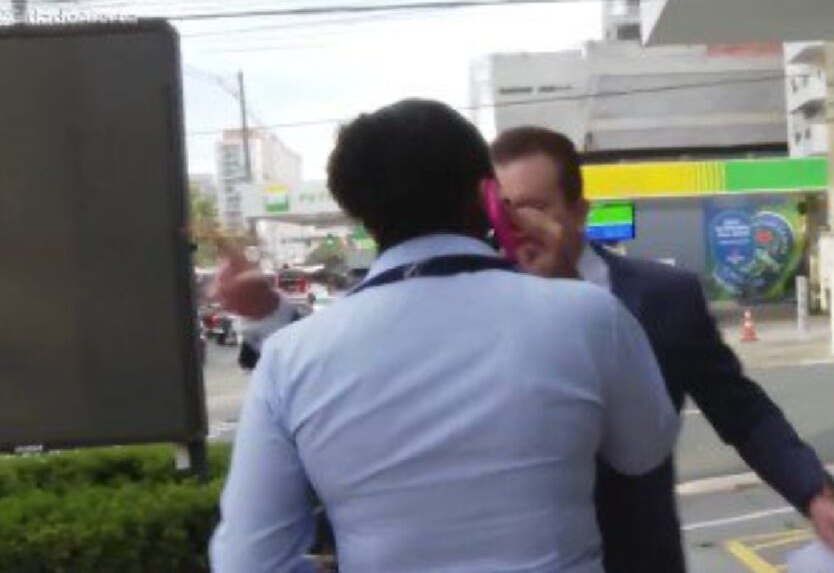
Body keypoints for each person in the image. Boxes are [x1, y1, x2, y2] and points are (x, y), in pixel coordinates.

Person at [209, 99, 679, 573]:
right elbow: (644, 453)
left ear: (360, 214)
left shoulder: (289, 358)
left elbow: (247, 562)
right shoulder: (589, 315)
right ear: (489, 195)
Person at [489, 126, 834, 572]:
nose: (520, 225)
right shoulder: (479, 306)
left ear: (580, 211)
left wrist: (813, 492)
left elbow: (741, 411)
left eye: (536, 207)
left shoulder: (664, 296)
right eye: (507, 210)